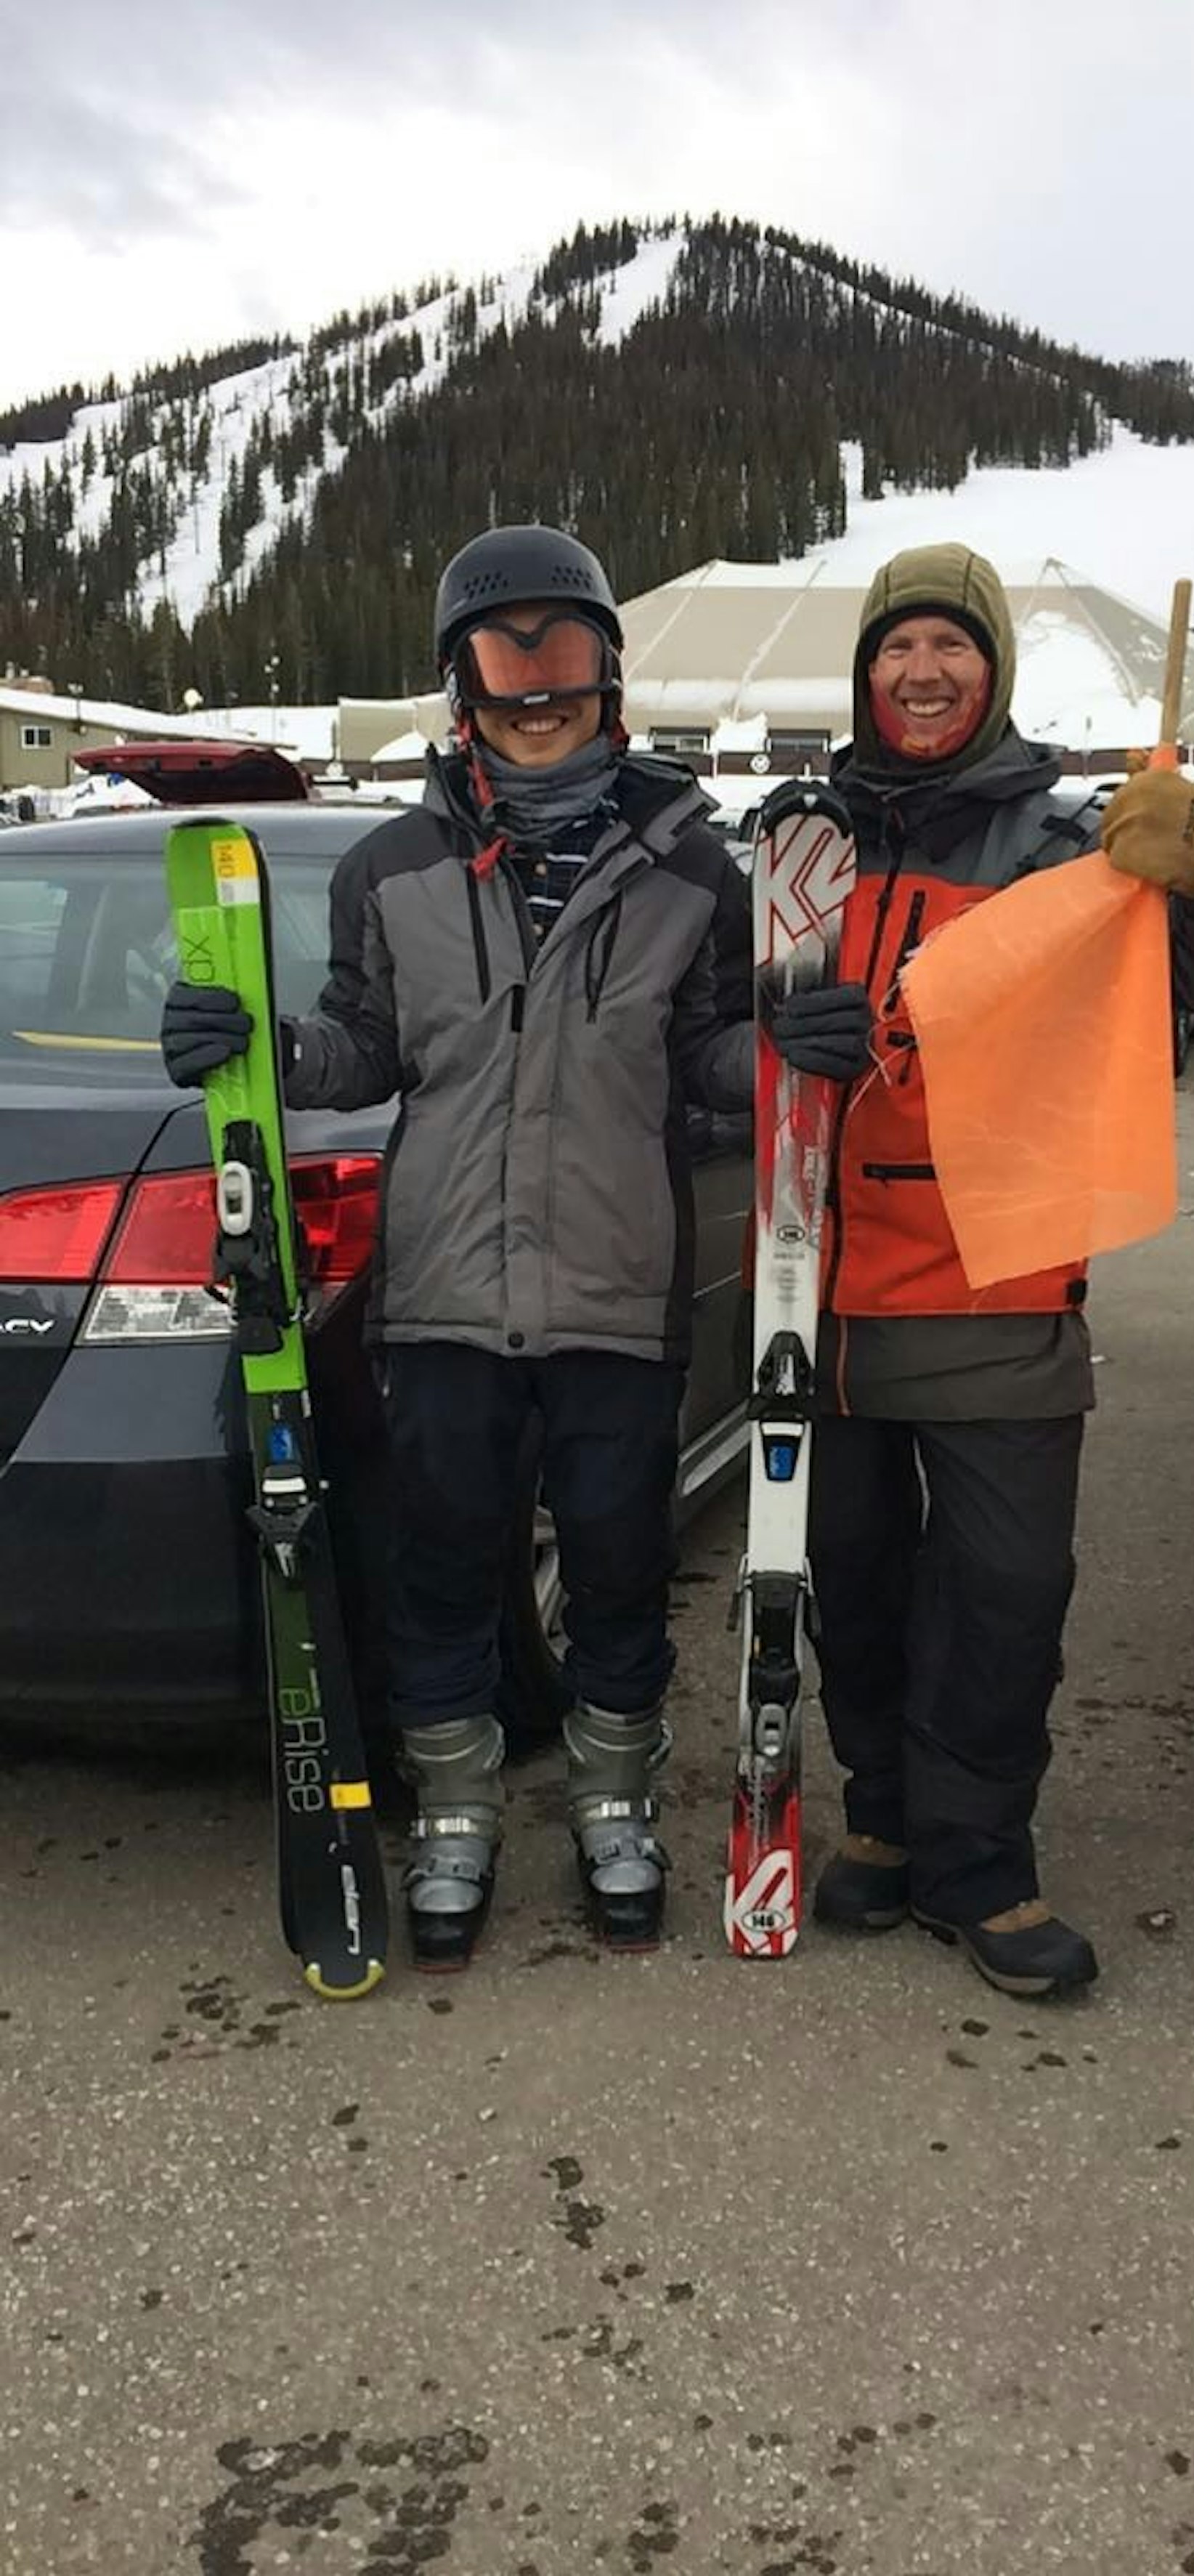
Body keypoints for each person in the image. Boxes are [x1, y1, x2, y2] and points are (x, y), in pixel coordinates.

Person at [161, 525, 753, 1968]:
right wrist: (261, 1047)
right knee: (441, 1567)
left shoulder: (693, 871)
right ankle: (454, 1812)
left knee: (617, 1565)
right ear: (459, 685)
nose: (536, 689)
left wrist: (791, 1046)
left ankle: (613, 1803)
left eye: (564, 651)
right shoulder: (390, 868)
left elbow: (711, 1060)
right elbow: (364, 1047)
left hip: (616, 1289)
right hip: (441, 1294)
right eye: (504, 655)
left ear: (611, 676)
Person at [771, 542, 1194, 1998]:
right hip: (817, 1297)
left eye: (951, 644)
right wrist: (770, 1022)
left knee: (1001, 1595)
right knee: (854, 1583)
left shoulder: (1064, 845)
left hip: (999, 1287)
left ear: (991, 669)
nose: (921, 670)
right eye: (897, 646)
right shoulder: (802, 841)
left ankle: (982, 1864)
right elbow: (713, 1019)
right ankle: (886, 1819)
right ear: (864, 673)